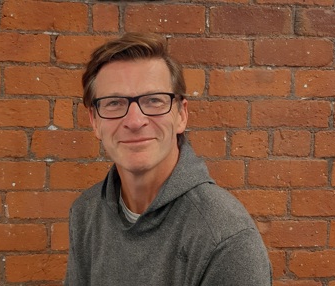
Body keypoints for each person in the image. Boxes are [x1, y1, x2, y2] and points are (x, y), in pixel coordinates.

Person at [65, 32, 272, 285]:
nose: (134, 121)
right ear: (94, 122)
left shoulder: (225, 238)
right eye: (114, 103)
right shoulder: (86, 213)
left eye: (153, 100)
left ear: (181, 115)